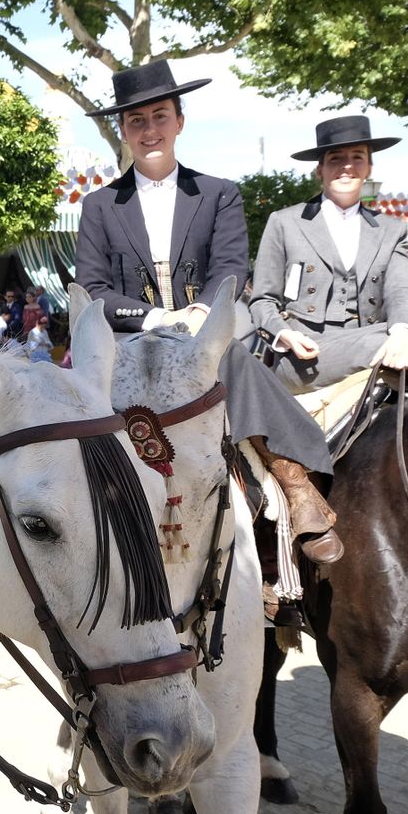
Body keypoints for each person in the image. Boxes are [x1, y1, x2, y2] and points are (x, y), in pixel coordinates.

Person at [75, 60, 342, 562]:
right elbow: (92, 288)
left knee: (228, 358)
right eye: (137, 121)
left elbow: (230, 268)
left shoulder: (219, 193)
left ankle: (293, 480)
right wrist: (154, 319)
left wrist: (201, 313)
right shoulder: (99, 205)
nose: (149, 130)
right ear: (124, 131)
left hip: (201, 336)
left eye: (159, 116)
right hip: (130, 343)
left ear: (179, 121)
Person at [250, 115, 408, 396]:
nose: (347, 166)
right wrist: (284, 334)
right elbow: (263, 300)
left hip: (374, 337)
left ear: (369, 167)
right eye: (336, 158)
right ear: (320, 169)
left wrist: (400, 332)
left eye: (357, 157)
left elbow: (400, 289)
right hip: (305, 354)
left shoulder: (392, 229)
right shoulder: (285, 222)